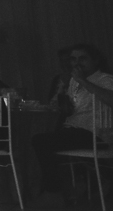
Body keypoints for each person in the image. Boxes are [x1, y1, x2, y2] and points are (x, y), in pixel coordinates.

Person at [33, 44, 113, 200]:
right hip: (75, 128)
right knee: (44, 139)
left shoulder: (105, 79)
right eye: (73, 59)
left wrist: (82, 81)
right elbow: (69, 108)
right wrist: (62, 95)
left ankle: (54, 193)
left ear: (95, 60)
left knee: (41, 141)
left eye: (82, 58)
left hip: (95, 133)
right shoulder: (73, 81)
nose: (77, 63)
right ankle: (72, 187)